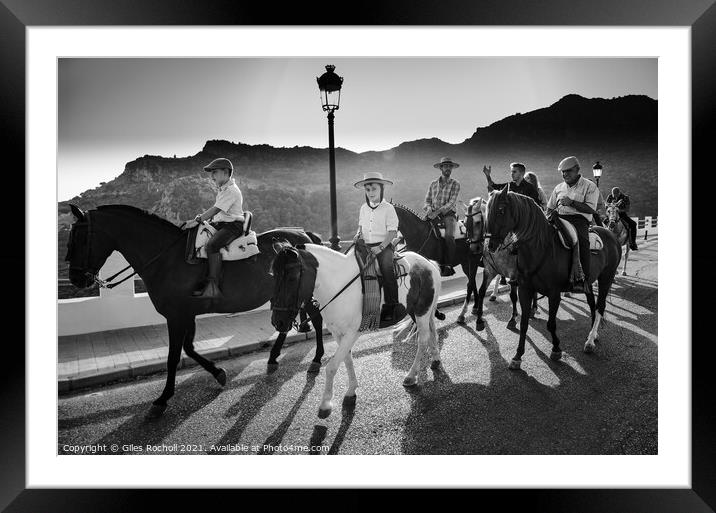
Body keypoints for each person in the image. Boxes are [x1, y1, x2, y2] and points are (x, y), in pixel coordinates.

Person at [182, 157, 244, 298]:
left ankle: (213, 285)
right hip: (223, 224)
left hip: (233, 226)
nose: (211, 177)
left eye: (214, 172)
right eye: (211, 173)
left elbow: (215, 209)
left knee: (212, 245)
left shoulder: (231, 190)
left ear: (225, 172)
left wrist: (198, 220)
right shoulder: (223, 189)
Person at [353, 171, 407, 328]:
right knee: (354, 269)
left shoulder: (388, 208)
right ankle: (367, 309)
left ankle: (392, 307)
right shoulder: (363, 208)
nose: (371, 193)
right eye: (368, 190)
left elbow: (392, 232)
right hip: (366, 246)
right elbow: (361, 227)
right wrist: (358, 235)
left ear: (381, 189)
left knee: (386, 269)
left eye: (374, 189)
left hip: (384, 246)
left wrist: (380, 247)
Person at [545, 156, 600, 293]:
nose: (565, 174)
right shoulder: (558, 187)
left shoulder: (589, 186)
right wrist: (549, 215)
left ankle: (583, 280)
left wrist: (572, 202)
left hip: (578, 220)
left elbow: (592, 209)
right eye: (563, 172)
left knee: (582, 242)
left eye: (568, 171)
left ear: (577, 169)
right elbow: (550, 207)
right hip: (559, 217)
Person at [424, 157, 461, 276]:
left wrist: (438, 211)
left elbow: (451, 202)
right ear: (441, 168)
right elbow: (427, 200)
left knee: (449, 236)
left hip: (448, 215)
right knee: (420, 230)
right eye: (446, 166)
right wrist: (429, 208)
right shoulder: (433, 184)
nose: (448, 168)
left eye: (450, 166)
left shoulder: (455, 184)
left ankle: (449, 265)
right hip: (433, 213)